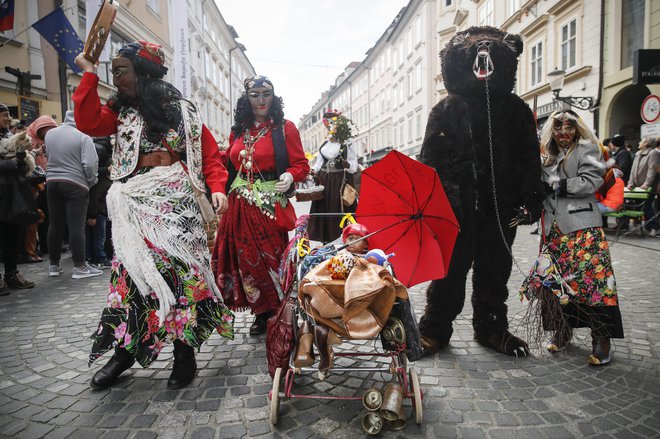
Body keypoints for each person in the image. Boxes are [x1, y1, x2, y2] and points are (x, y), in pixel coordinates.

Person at [73, 40, 234, 390]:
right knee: (130, 280)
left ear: (143, 72)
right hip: (134, 204)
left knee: (181, 279)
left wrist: (217, 186)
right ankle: (123, 352)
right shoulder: (120, 112)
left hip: (176, 206)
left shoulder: (182, 111)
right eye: (113, 71)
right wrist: (88, 73)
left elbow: (209, 155)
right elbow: (87, 122)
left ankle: (184, 353)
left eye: (121, 71)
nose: (115, 78)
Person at [520, 109, 623, 366]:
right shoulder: (546, 156)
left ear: (577, 128)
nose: (563, 132)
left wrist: (557, 185)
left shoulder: (587, 149)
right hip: (553, 232)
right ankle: (562, 329)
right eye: (558, 127)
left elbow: (591, 181)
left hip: (583, 229)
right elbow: (538, 188)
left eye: (569, 126)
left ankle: (602, 338)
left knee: (594, 284)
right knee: (558, 284)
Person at [212, 75, 309, 336]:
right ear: (247, 98)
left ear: (274, 96)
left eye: (267, 94)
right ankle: (261, 311)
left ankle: (279, 307)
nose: (261, 100)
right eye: (255, 95)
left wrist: (290, 175)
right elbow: (228, 161)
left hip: (268, 206)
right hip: (239, 207)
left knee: (272, 258)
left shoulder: (285, 128)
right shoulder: (239, 130)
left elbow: (301, 164)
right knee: (246, 262)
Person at [41, 111, 102, 279]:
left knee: (55, 224)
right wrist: (91, 181)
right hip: (75, 183)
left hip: (52, 181)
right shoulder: (84, 136)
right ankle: (80, 267)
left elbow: (48, 156)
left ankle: (54, 265)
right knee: (76, 225)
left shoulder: (50, 134)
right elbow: (90, 164)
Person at [0, 102, 35, 295]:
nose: (7, 118)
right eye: (3, 115)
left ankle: (11, 274)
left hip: (12, 194)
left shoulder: (9, 136)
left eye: (7, 115)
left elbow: (22, 167)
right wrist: (13, 162)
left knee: (12, 235)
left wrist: (21, 160)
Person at [308, 110, 358, 243]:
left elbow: (354, 166)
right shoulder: (326, 142)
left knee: (337, 209)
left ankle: (341, 239)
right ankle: (325, 240)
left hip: (339, 181)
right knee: (324, 209)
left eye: (333, 123)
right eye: (328, 124)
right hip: (324, 180)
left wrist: (347, 164)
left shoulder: (346, 142)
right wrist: (313, 171)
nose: (330, 127)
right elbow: (319, 162)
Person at [85, 137, 113, 268]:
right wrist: (93, 214)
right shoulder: (101, 181)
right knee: (99, 236)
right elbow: (96, 197)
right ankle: (99, 257)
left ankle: (94, 257)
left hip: (98, 210)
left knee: (97, 236)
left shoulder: (98, 179)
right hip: (99, 211)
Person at [626, 137, 660, 236]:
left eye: (641, 141)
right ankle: (648, 227)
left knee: (647, 207)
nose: (639, 142)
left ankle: (654, 227)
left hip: (647, 187)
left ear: (646, 143)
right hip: (637, 187)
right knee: (641, 208)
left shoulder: (653, 153)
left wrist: (647, 184)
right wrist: (630, 182)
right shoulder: (637, 154)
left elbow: (652, 170)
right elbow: (633, 170)